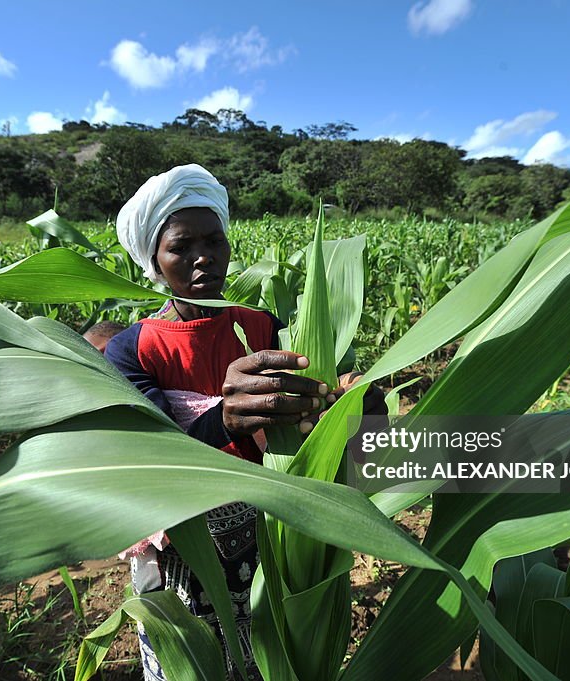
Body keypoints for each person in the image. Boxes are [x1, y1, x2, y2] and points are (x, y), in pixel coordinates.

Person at [105, 164, 379, 681]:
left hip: (273, 527)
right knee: (196, 659)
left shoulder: (262, 325)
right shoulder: (132, 347)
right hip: (188, 538)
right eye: (181, 247)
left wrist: (354, 401)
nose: (202, 257)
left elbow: (310, 409)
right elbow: (146, 452)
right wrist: (223, 420)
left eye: (214, 241)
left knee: (276, 653)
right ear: (154, 261)